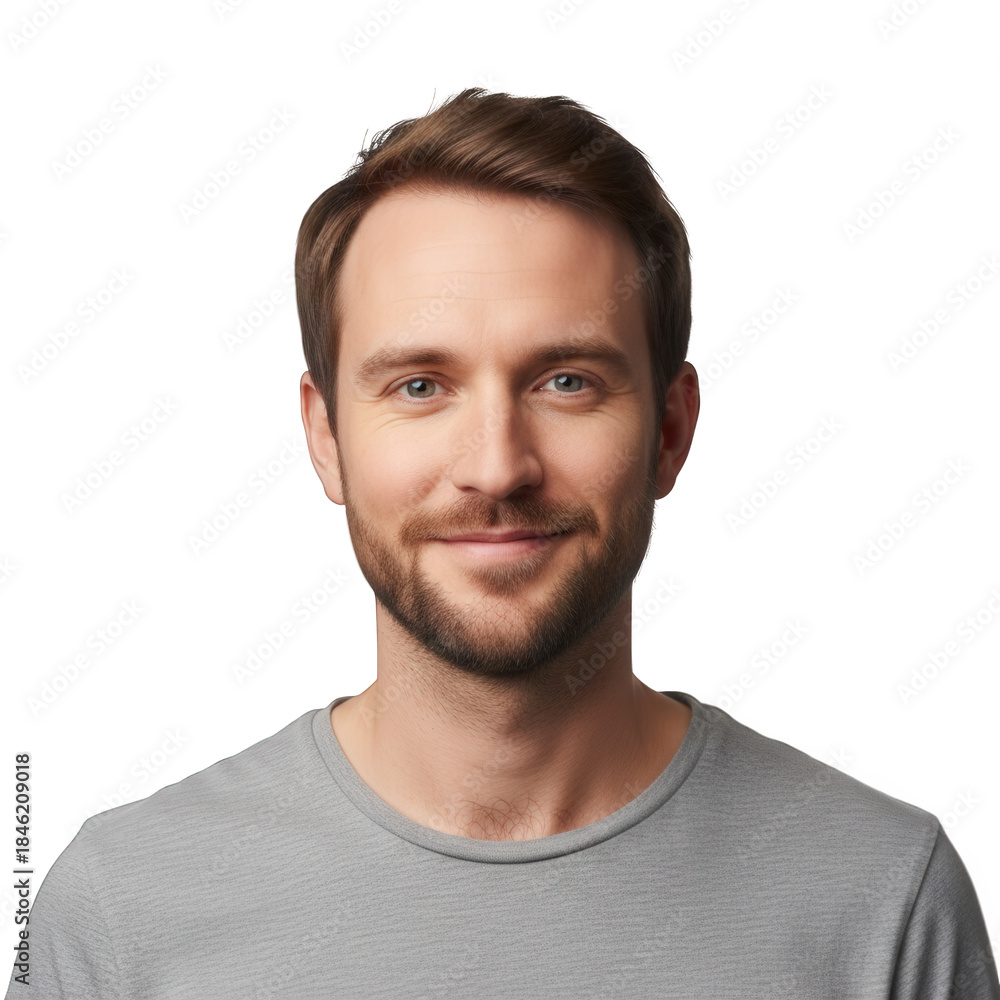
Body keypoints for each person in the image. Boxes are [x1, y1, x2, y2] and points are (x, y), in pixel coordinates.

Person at [8, 87, 998, 999]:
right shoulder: (121, 912)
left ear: (668, 428)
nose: (494, 466)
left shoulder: (884, 904)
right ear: (325, 439)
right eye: (419, 386)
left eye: (564, 380)